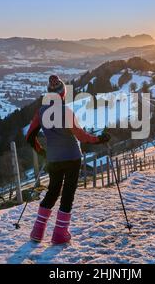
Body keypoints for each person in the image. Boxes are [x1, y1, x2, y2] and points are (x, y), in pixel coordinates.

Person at [26, 75, 110, 245]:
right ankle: (59, 234)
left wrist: (42, 152)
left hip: (53, 159)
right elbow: (81, 136)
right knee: (68, 194)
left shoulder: (40, 113)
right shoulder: (66, 112)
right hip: (72, 157)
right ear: (63, 93)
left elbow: (29, 137)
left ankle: (37, 231)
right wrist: (100, 139)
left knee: (52, 191)